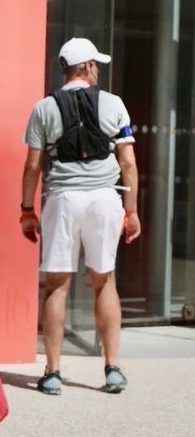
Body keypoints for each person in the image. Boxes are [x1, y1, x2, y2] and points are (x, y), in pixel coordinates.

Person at [20, 37, 139, 396]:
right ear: (86, 67)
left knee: (57, 285)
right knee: (104, 281)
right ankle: (112, 369)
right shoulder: (113, 104)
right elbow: (128, 162)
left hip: (63, 199)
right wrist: (130, 211)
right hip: (105, 199)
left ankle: (53, 372)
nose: (98, 70)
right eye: (95, 64)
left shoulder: (43, 108)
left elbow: (32, 166)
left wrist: (27, 210)